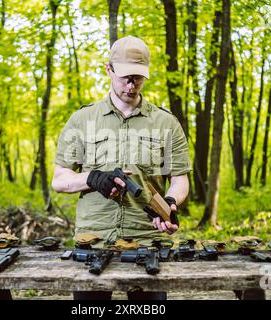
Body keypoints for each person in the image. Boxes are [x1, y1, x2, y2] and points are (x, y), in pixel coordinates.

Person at [52, 35, 191, 300]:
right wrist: (92, 178)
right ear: (109, 70)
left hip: (148, 240)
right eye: (125, 77)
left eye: (138, 78)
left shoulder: (166, 123)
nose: (131, 85)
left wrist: (171, 201)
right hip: (93, 239)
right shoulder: (82, 119)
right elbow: (59, 180)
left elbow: (180, 178)